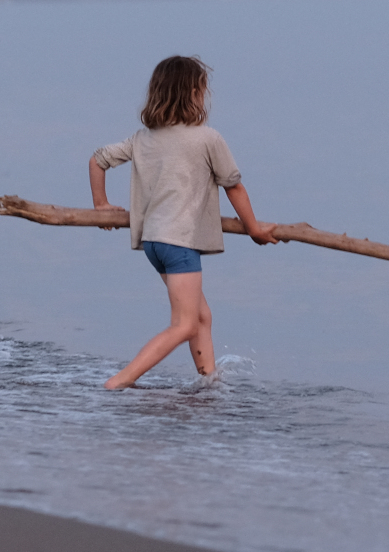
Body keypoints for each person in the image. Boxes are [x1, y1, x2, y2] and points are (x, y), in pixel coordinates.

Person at [90, 55, 278, 390]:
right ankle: (120, 381)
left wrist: (101, 204)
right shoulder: (207, 138)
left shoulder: (142, 139)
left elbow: (98, 160)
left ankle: (209, 384)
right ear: (194, 94)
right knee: (185, 324)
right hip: (179, 243)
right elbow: (234, 186)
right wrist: (255, 230)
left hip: (154, 243)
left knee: (202, 316)